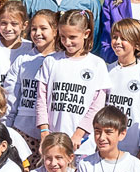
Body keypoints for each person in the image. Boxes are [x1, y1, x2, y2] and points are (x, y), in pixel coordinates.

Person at [36, 9, 111, 156]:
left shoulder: (97, 64)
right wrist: (44, 131)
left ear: (86, 34)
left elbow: (97, 105)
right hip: (53, 142)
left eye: (72, 37)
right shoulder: (51, 61)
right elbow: (41, 99)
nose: (67, 42)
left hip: (82, 145)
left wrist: (79, 133)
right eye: (63, 37)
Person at [3, 9, 60, 168]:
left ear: (55, 31)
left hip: (50, 133)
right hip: (23, 131)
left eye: (43, 28)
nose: (37, 33)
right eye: (34, 29)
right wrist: (7, 128)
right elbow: (11, 97)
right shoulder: (23, 60)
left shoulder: (61, 60)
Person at [106, 18, 140, 157]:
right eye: (115, 37)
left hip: (132, 147)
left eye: (123, 38)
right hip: (107, 145)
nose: (117, 42)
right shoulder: (107, 70)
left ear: (137, 44)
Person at [0, 0, 34, 85]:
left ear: (24, 25)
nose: (8, 28)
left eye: (14, 24)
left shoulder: (30, 48)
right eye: (4, 23)